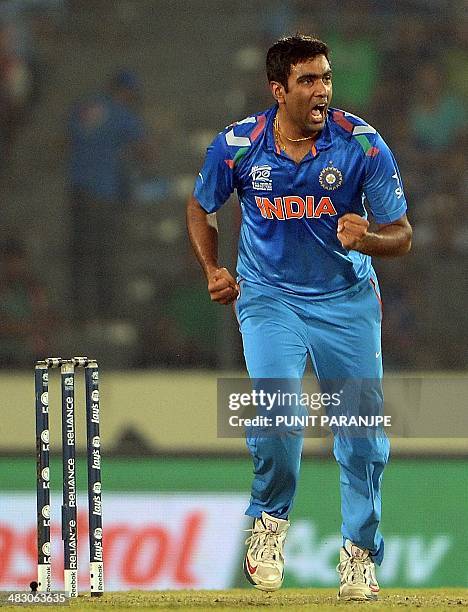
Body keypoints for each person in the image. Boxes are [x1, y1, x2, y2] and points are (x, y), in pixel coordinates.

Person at [187, 35, 412, 601]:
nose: (322, 92)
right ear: (278, 89)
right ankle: (268, 520)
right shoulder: (238, 146)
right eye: (308, 81)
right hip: (268, 298)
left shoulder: (361, 144)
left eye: (327, 78)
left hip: (346, 300)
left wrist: (371, 239)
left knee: (361, 437)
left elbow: (402, 235)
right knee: (277, 415)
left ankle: (360, 554)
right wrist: (213, 266)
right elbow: (200, 206)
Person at [66, 69, 152, 321]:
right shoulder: (121, 113)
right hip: (102, 193)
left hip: (77, 191)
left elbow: (69, 138)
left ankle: (80, 313)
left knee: (80, 255)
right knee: (105, 255)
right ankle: (105, 314)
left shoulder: (87, 106)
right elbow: (146, 151)